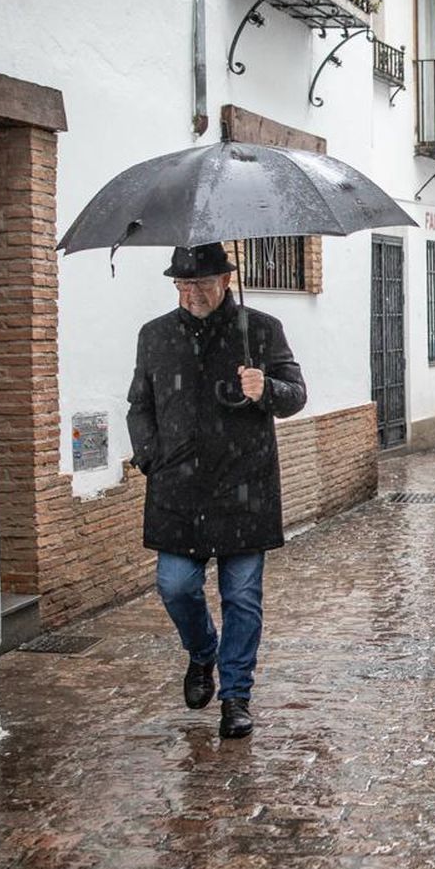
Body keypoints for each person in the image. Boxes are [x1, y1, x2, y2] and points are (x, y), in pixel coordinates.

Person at [126, 243, 307, 738]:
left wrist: (266, 389)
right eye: (183, 285)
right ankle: (202, 651)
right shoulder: (155, 335)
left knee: (242, 597)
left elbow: (295, 396)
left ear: (226, 280)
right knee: (175, 585)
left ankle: (235, 696)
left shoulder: (261, 330)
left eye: (201, 284)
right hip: (177, 491)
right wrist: (151, 457)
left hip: (244, 487)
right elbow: (140, 405)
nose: (192, 295)